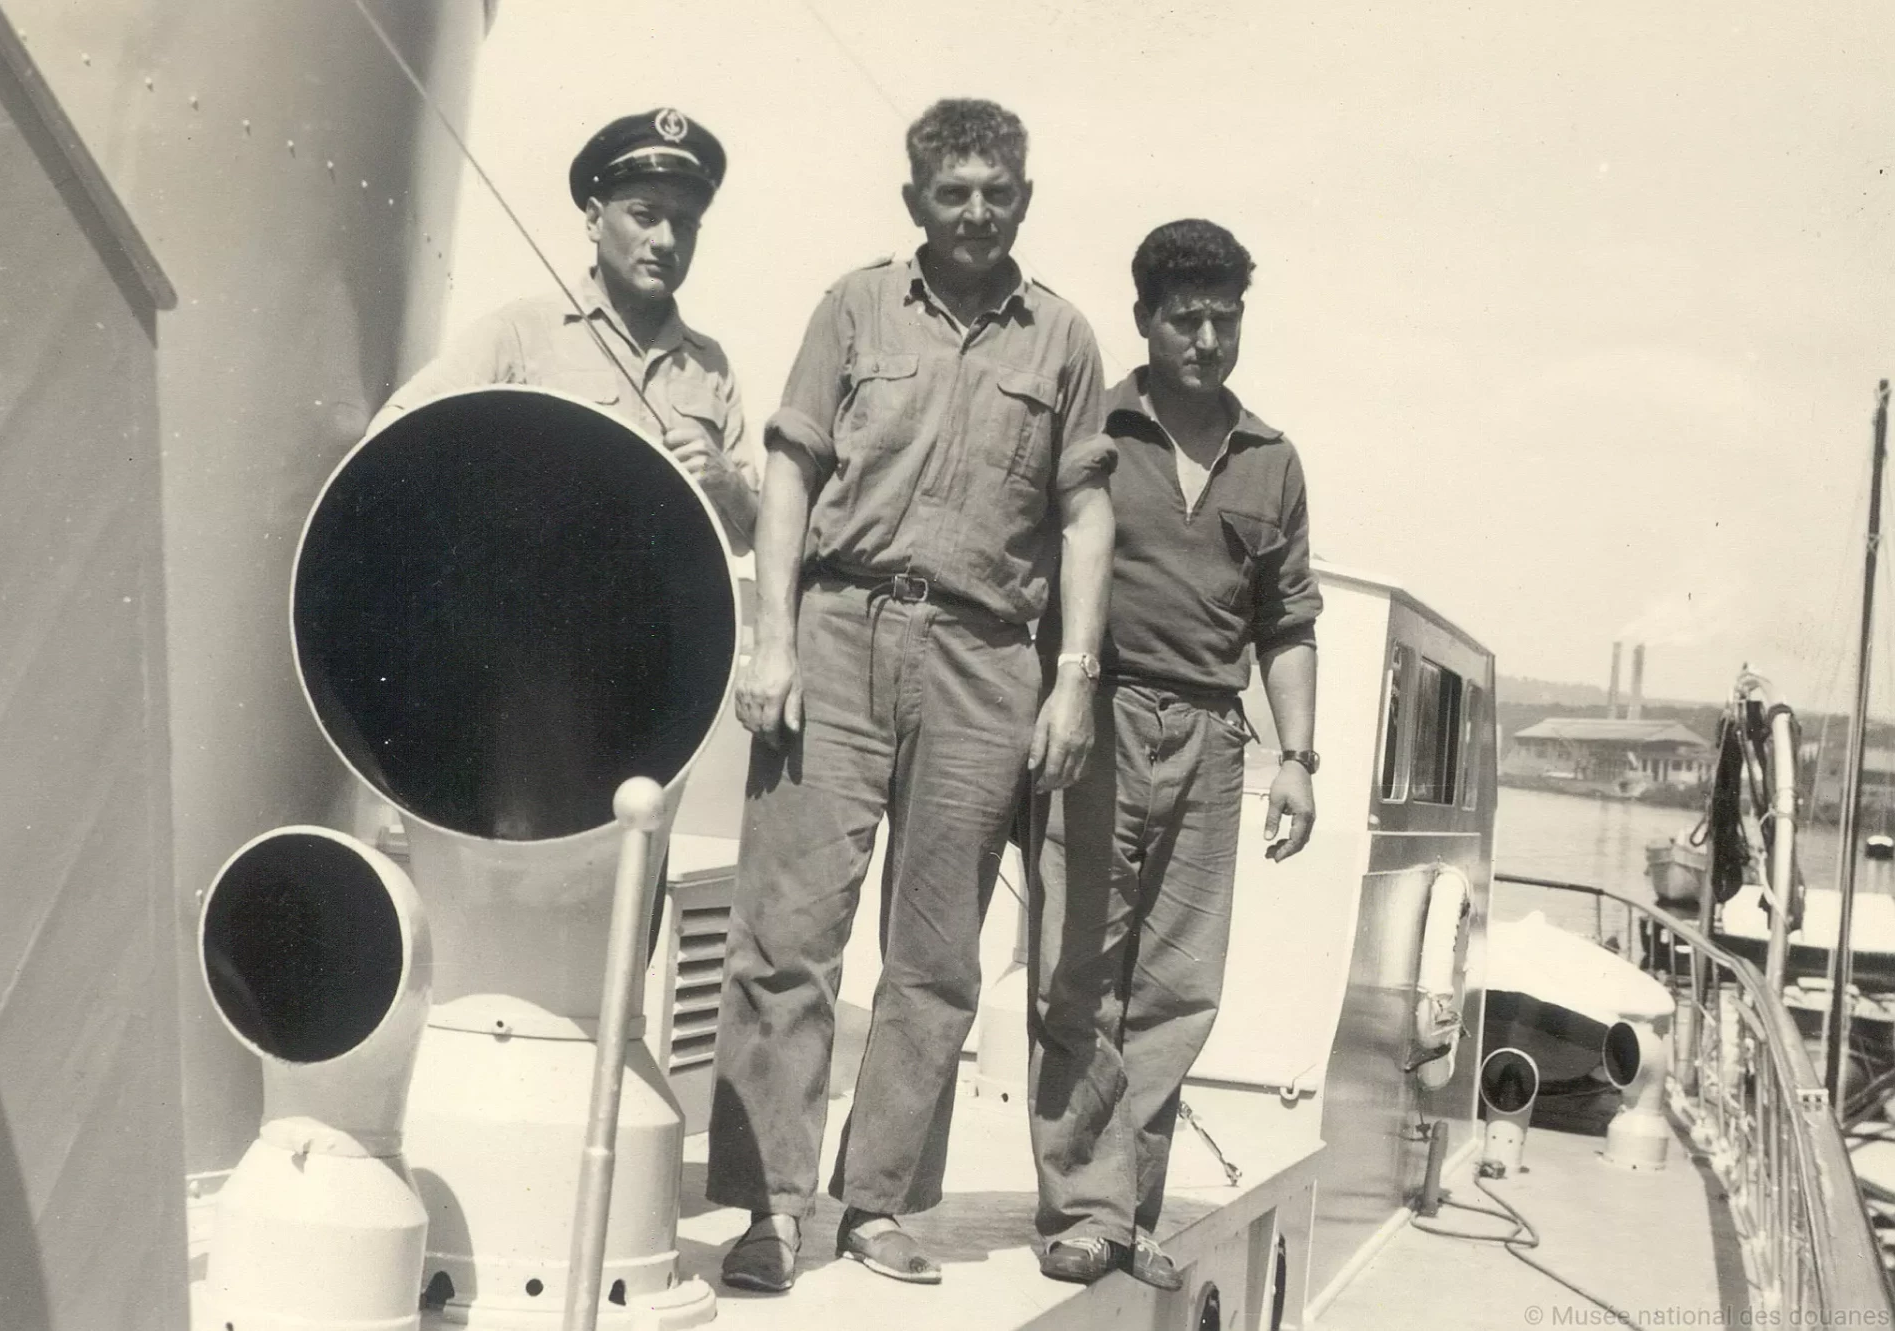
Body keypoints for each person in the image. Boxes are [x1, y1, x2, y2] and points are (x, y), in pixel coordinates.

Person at [707, 98, 1117, 1293]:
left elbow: (1085, 514)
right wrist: (771, 638)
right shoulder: (852, 307)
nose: (976, 212)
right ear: (914, 203)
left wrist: (1073, 680)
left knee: (935, 955)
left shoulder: (1064, 340)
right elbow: (789, 470)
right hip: (837, 631)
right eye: (953, 193)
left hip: (987, 659)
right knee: (786, 935)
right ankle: (769, 1207)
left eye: (997, 192)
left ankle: (875, 1201)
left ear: (1024, 200)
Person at [1027, 219, 1321, 1291]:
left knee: (1177, 986)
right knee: (1078, 969)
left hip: (1211, 735)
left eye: (1223, 318)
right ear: (1143, 319)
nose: (1206, 339)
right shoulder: (1093, 430)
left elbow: (1288, 622)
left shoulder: (1271, 459)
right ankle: (1083, 1207)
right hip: (1095, 717)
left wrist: (1299, 758)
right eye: (1185, 318)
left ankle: (1125, 1209)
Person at [367, 107, 760, 553]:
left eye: (684, 224)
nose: (666, 241)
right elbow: (394, 434)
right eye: (646, 216)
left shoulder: (710, 365)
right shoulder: (521, 332)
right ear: (594, 219)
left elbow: (754, 538)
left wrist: (728, 483)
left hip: (658, 594)